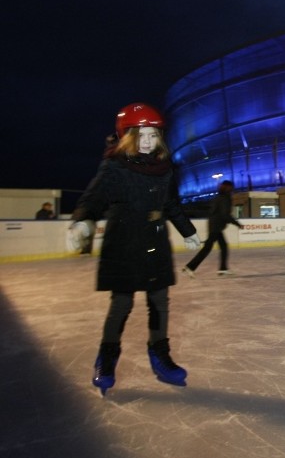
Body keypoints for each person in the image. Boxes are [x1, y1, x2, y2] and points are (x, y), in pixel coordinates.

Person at [67, 103, 201, 396]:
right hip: (123, 241)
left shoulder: (165, 168)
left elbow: (171, 205)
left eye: (153, 136)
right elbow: (94, 197)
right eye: (141, 136)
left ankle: (160, 356)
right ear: (127, 136)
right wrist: (82, 221)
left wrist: (188, 231)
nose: (148, 142)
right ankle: (107, 359)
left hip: (155, 241)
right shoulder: (115, 165)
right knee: (122, 304)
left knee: (159, 302)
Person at [183, 180, 243, 277]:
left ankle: (223, 269)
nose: (233, 190)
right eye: (231, 188)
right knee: (208, 248)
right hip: (216, 227)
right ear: (229, 188)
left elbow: (214, 212)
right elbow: (225, 214)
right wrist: (237, 223)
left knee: (223, 247)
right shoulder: (225, 198)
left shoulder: (218, 197)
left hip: (214, 225)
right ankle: (190, 267)